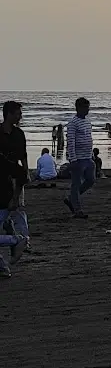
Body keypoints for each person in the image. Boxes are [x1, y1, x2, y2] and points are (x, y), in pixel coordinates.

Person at [0, 101, 31, 278]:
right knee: (9, 217)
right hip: (5, 181)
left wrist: (25, 173)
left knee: (16, 211)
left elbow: (23, 156)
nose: (20, 117)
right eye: (18, 113)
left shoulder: (19, 134)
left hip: (12, 181)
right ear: (8, 114)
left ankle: (19, 240)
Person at [64, 96, 95, 219]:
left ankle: (71, 198)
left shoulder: (87, 121)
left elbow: (89, 138)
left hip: (88, 157)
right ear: (78, 108)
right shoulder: (73, 123)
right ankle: (77, 210)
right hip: (78, 158)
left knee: (90, 180)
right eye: (85, 108)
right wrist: (73, 159)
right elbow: (70, 142)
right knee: (76, 184)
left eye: (88, 107)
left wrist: (91, 154)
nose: (87, 110)